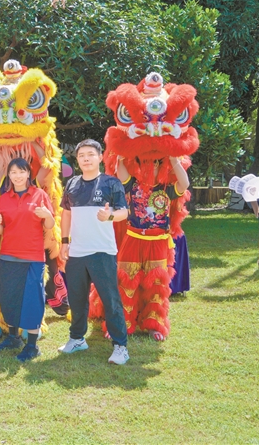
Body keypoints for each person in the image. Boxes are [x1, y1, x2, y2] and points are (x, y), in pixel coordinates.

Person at [58, 139, 130, 365]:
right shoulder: (72, 184)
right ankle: (77, 339)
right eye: (81, 155)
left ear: (100, 157)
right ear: (77, 160)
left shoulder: (111, 183)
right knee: (77, 299)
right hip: (77, 252)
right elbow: (66, 214)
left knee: (110, 299)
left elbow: (124, 212)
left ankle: (120, 346)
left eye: (90, 154)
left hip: (102, 251)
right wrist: (64, 241)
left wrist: (109, 216)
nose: (86, 159)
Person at [112, 155, 189, 340]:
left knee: (156, 284)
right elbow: (120, 172)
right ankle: (122, 325)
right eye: (146, 162)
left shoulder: (167, 189)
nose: (150, 166)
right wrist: (120, 159)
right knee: (126, 280)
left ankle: (154, 325)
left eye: (155, 163)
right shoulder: (132, 184)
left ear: (160, 166)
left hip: (158, 241)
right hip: (133, 238)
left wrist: (174, 160)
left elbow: (184, 184)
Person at [0, 158, 55, 362]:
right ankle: (13, 337)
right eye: (13, 172)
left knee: (32, 300)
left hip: (32, 257)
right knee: (9, 297)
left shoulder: (39, 195)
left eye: (21, 172)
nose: (17, 176)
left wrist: (47, 215)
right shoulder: (3, 199)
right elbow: (2, 230)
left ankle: (32, 346)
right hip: (8, 256)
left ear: (28, 174)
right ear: (9, 176)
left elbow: (50, 225)